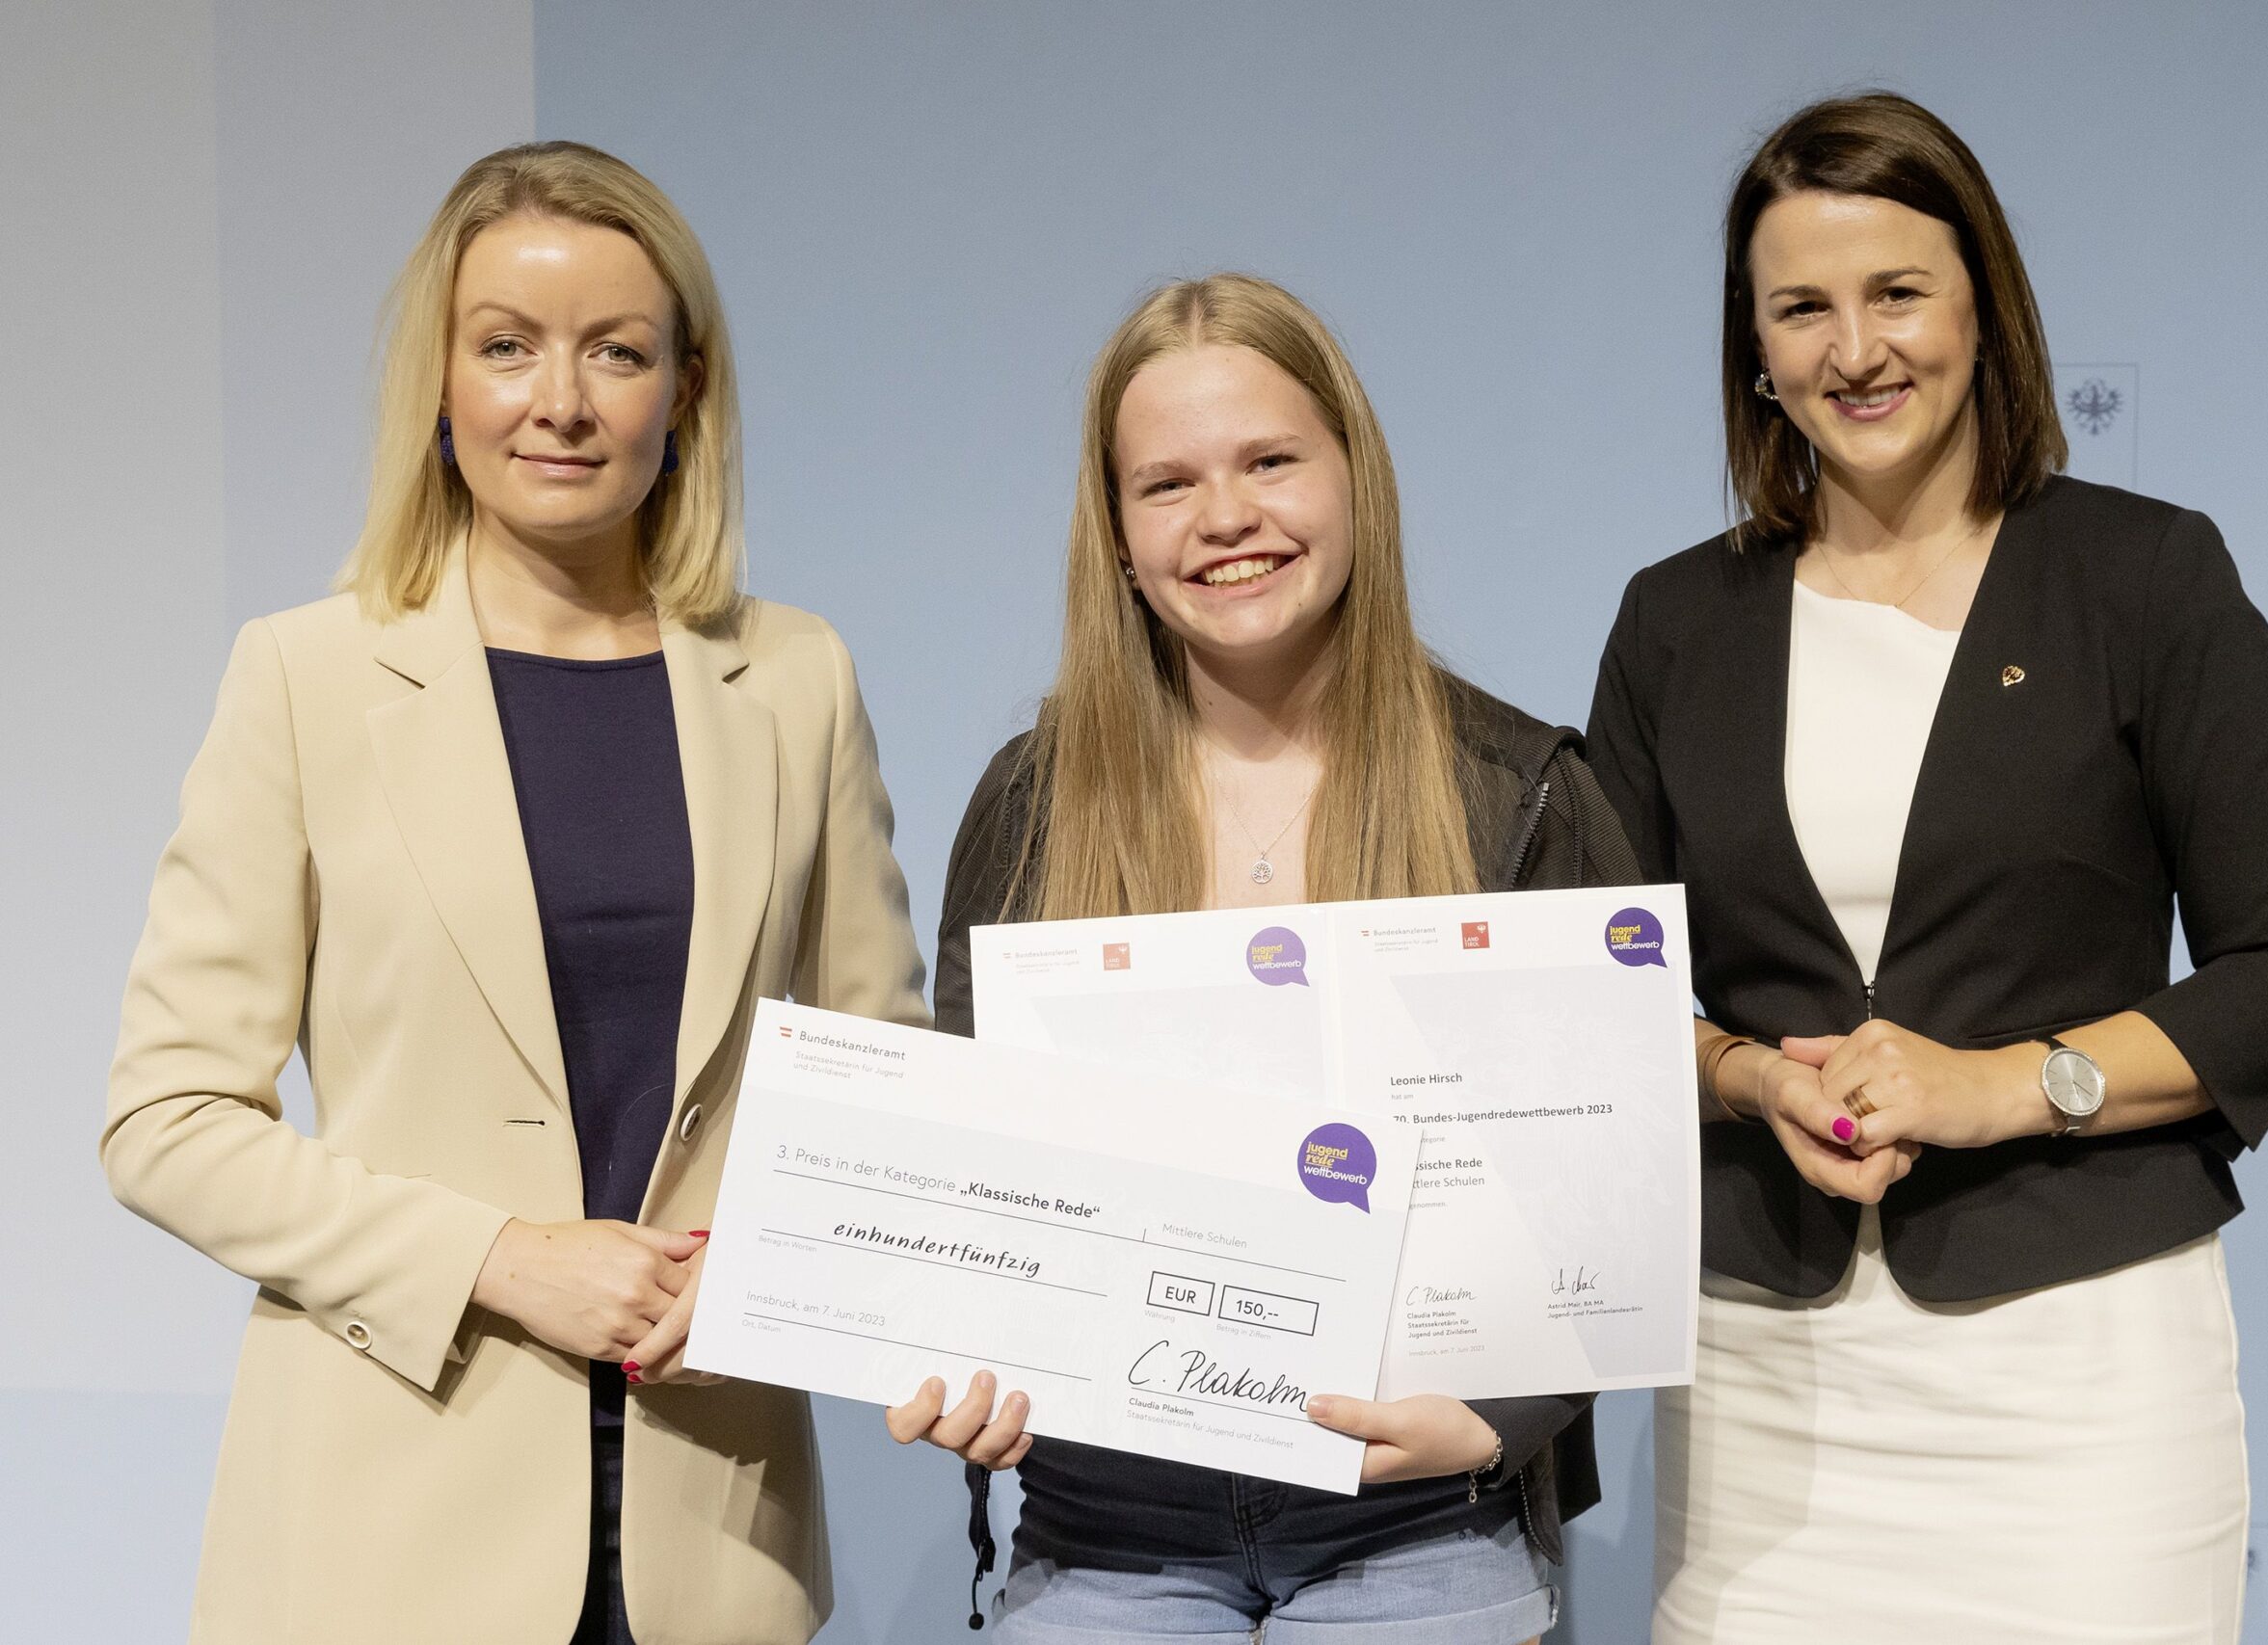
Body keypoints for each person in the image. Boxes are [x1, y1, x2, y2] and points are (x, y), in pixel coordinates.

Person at [100, 141, 928, 1645]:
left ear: (685, 388)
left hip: (713, 1536)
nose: (561, 401)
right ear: (440, 383)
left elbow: (893, 1095)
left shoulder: (797, 678)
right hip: (378, 1541)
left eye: (617, 351)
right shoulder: (305, 677)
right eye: (506, 348)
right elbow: (165, 1125)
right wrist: (500, 1260)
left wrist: (766, 1262)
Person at [1585, 93, 2268, 1644]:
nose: (1853, 349)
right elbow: (1602, 994)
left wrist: (2006, 1083)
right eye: (1802, 307)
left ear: (1983, 309)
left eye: (1897, 293)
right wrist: (1749, 1078)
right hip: (1765, 1383)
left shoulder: (2146, 579)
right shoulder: (1678, 621)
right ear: (1755, 346)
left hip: (2082, 1376)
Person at [894, 273, 1631, 1643]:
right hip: (1108, 1522)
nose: (1225, 517)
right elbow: (975, 1176)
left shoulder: (1523, 792)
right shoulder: (1032, 805)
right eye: (1167, 484)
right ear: (1116, 535)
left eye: (1271, 462)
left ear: (1356, 479)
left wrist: (1498, 1417)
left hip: (1419, 1512)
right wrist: (959, 1349)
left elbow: (1606, 1185)